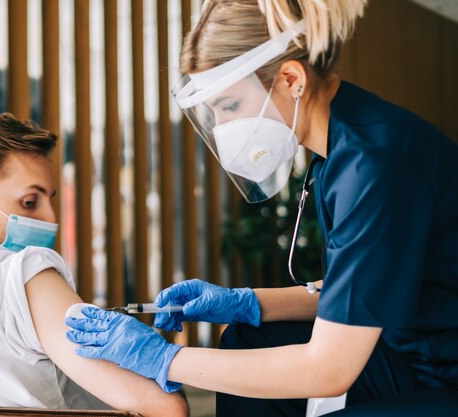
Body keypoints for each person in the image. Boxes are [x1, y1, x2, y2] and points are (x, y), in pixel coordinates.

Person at [65, 0, 458, 415]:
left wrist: (165, 360)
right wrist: (248, 301)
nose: (222, 131)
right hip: (414, 353)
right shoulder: (340, 151)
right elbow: (357, 291)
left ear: (291, 79)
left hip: (445, 373)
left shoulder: (375, 166)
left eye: (231, 107)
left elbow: (329, 368)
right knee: (246, 338)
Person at [0, 110, 187, 417]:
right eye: (30, 202)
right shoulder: (22, 274)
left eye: (50, 199)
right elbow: (166, 408)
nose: (51, 218)